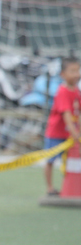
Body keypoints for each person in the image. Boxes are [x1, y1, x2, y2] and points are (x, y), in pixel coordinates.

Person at [43, 57, 81, 195]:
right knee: (50, 160)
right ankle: (49, 187)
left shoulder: (77, 91)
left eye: (77, 70)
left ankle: (69, 186)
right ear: (63, 74)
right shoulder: (63, 91)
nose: (76, 74)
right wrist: (75, 133)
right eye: (72, 71)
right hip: (56, 134)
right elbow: (67, 116)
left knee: (70, 161)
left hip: (70, 135)